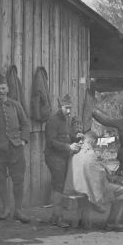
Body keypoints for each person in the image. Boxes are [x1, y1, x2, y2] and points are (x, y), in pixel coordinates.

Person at [0, 75, 31, 223]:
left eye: (3, 88)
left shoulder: (16, 105)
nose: (0, 91)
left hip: (16, 148)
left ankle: (19, 210)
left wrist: (23, 140)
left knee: (18, 180)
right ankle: (5, 209)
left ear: (8, 89)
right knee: (1, 179)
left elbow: (25, 124)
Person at [64, 131, 123, 230]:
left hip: (75, 187)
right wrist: (107, 173)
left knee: (85, 197)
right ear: (93, 141)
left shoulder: (75, 151)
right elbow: (98, 176)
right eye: (96, 143)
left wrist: (101, 165)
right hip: (87, 189)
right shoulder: (90, 154)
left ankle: (80, 223)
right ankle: (111, 222)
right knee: (121, 191)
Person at [44, 94, 83, 228]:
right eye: (66, 108)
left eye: (70, 108)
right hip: (53, 157)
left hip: (63, 156)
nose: (68, 111)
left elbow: (66, 137)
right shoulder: (52, 121)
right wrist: (68, 147)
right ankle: (57, 217)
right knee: (58, 186)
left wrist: (76, 138)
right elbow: (51, 141)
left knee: (59, 185)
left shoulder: (66, 120)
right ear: (60, 106)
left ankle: (55, 216)